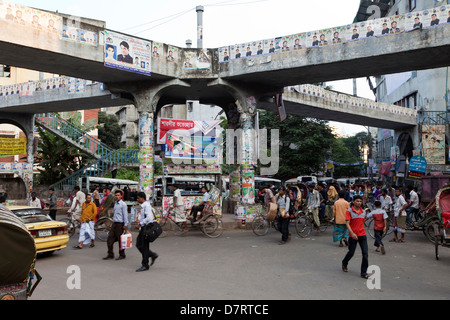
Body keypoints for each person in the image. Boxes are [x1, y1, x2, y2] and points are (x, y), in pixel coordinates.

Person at [342, 195, 369, 279]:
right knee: (351, 252)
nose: (359, 203)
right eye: (357, 201)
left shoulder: (363, 212)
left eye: (360, 201)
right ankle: (344, 262)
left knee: (365, 254)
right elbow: (347, 223)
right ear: (353, 201)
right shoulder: (349, 211)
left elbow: (362, 221)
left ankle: (363, 272)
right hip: (352, 235)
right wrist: (352, 233)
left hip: (362, 235)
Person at [135, 192, 158, 272]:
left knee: (144, 246)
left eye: (138, 198)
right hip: (143, 228)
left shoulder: (146, 206)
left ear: (142, 198)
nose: (137, 200)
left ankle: (145, 264)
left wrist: (140, 224)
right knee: (139, 244)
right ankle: (152, 255)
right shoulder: (143, 206)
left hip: (146, 228)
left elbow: (149, 218)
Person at [103, 190, 129, 260]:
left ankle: (122, 254)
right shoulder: (115, 203)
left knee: (120, 240)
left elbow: (125, 215)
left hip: (120, 224)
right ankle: (110, 254)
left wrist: (125, 224)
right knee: (109, 239)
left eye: (118, 195)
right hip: (114, 223)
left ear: (121, 196)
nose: (117, 197)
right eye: (116, 195)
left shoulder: (123, 204)